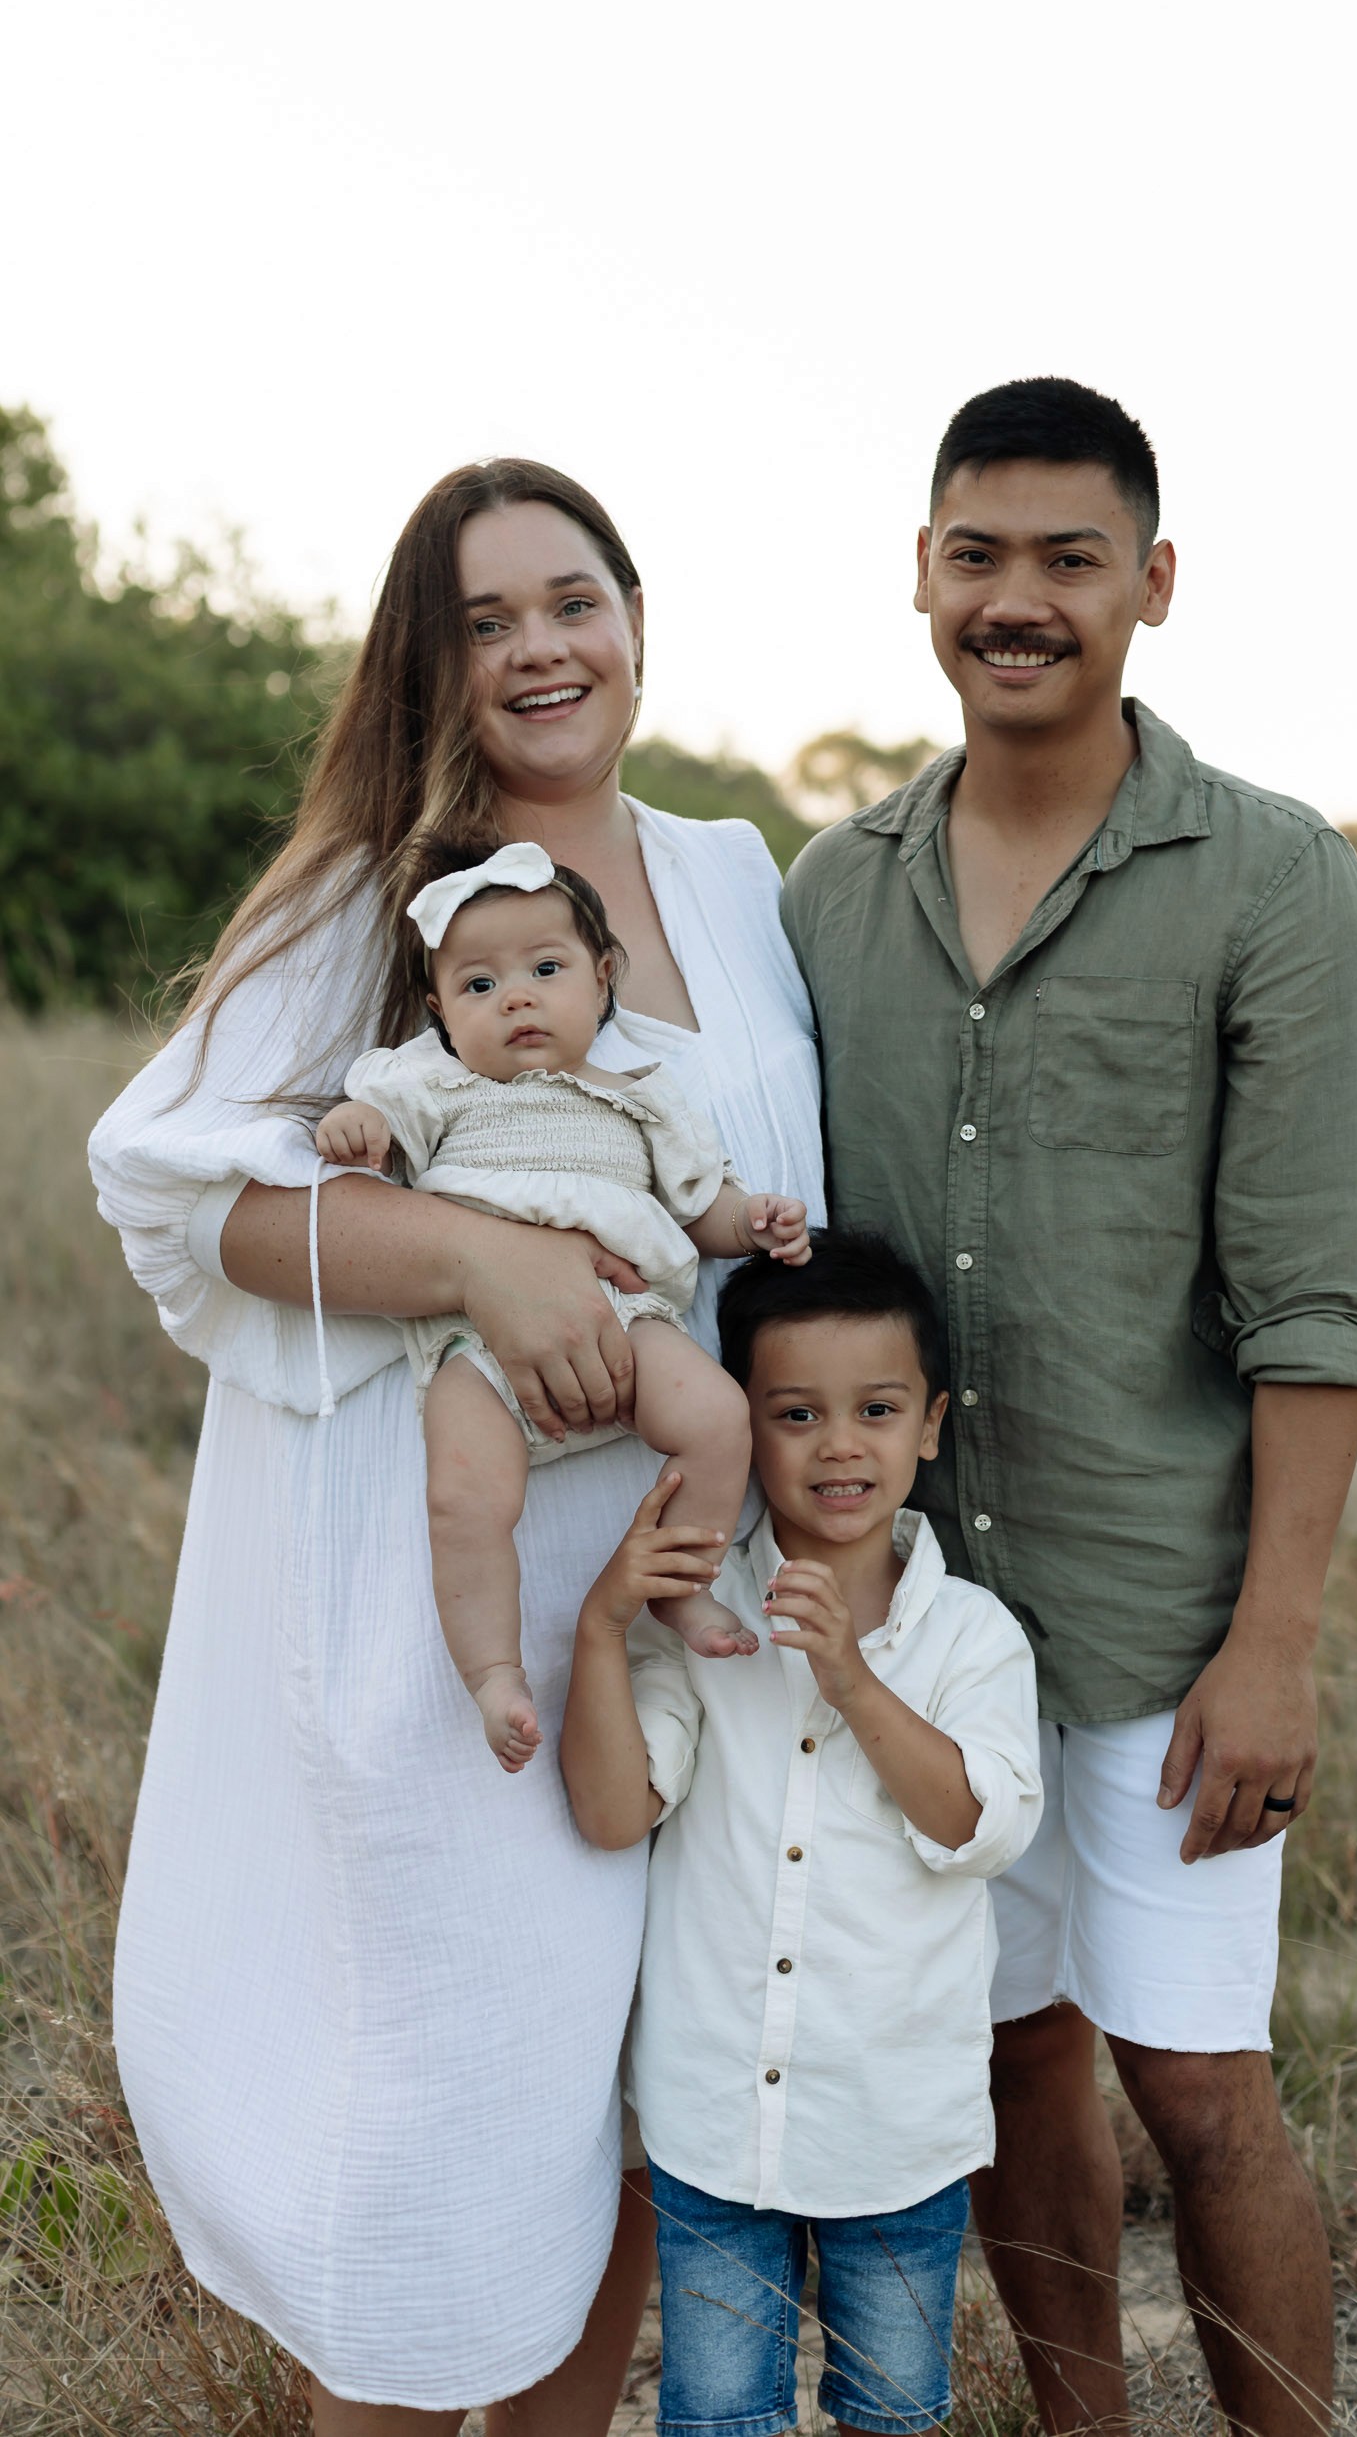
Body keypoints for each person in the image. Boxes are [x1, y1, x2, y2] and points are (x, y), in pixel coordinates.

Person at [88, 460, 824, 2434]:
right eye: (485, 619)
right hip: (451, 1629)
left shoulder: (736, 868)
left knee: (630, 2136)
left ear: (637, 616)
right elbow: (182, 1198)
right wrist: (483, 1259)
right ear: (432, 661)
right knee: (437, 2145)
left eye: (569, 598)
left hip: (693, 1601)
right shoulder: (378, 901)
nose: (538, 648)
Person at [779, 378, 1357, 2437]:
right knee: (1009, 2054)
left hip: (1161, 1618)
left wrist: (1273, 1644)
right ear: (920, 577)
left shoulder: (1268, 880)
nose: (1014, 598)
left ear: (1149, 582)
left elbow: (1312, 1301)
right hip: (932, 1610)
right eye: (976, 555)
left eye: (1064, 557)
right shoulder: (828, 894)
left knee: (1199, 2083)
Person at [561, 1231, 1042, 2437]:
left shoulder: (971, 1636)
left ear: (929, 1425)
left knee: (894, 2411)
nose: (839, 1445)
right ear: (743, 1429)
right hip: (713, 2115)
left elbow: (979, 1827)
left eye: (875, 1409)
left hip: (894, 2124)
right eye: (794, 1413)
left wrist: (854, 1681)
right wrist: (602, 1628)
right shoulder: (703, 1616)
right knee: (716, 2414)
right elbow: (617, 1811)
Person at [316, 840, 812, 1764]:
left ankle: (683, 1583)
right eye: (477, 986)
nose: (515, 997)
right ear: (437, 1012)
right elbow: (382, 1126)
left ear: (602, 977)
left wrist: (757, 1222)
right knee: (464, 1499)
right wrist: (360, 1127)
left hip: (628, 1320)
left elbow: (702, 1203)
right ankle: (492, 1670)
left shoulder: (639, 1098)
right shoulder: (436, 1083)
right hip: (477, 1341)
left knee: (715, 1416)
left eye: (546, 970)